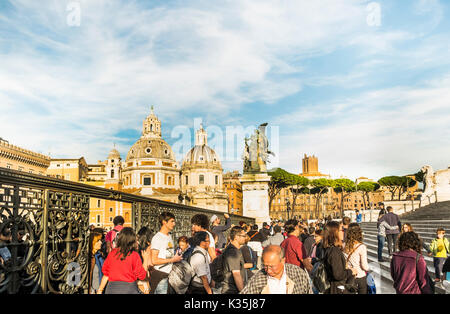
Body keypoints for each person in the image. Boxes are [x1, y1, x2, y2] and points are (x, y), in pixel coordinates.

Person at [240, 245, 313, 294]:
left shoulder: (298, 274)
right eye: (265, 266)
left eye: (272, 266)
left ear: (283, 261)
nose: (268, 270)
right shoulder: (258, 278)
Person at [97, 227, 150, 294]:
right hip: (129, 289)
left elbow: (106, 274)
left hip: (112, 288)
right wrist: (145, 260)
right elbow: (142, 276)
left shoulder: (112, 253)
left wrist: (100, 290)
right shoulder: (134, 255)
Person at [150, 212, 182, 294]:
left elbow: (167, 254)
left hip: (169, 276)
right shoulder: (157, 238)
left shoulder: (169, 236)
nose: (174, 224)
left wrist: (176, 256)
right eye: (172, 221)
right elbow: (154, 260)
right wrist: (173, 259)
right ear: (164, 222)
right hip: (160, 276)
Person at [322, 221, 357, 294]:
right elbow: (338, 275)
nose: (344, 232)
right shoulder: (334, 251)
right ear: (335, 233)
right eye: (342, 230)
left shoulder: (329, 249)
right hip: (337, 288)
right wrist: (351, 271)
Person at [344, 223, 370, 294]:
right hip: (360, 276)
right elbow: (364, 266)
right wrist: (369, 269)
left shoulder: (344, 246)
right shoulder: (361, 247)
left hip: (349, 277)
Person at [221, 226, 248, 294]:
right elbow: (236, 274)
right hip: (231, 290)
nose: (245, 238)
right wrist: (243, 292)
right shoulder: (233, 252)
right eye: (244, 236)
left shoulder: (234, 250)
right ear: (236, 237)